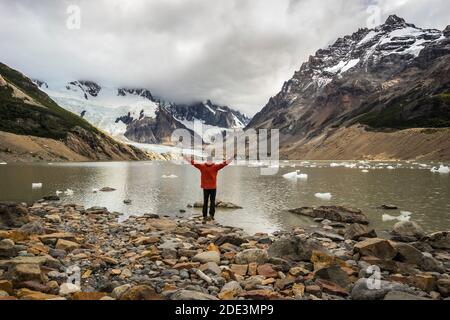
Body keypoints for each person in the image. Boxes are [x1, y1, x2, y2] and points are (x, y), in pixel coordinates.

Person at [184, 154, 234, 222]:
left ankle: (204, 216)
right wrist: (232, 157)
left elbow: (193, 163)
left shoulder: (202, 166)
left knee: (205, 201)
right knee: (212, 202)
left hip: (206, 187)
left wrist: (185, 157)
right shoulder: (215, 166)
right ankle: (211, 216)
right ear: (211, 160)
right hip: (213, 187)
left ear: (207, 160)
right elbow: (224, 163)